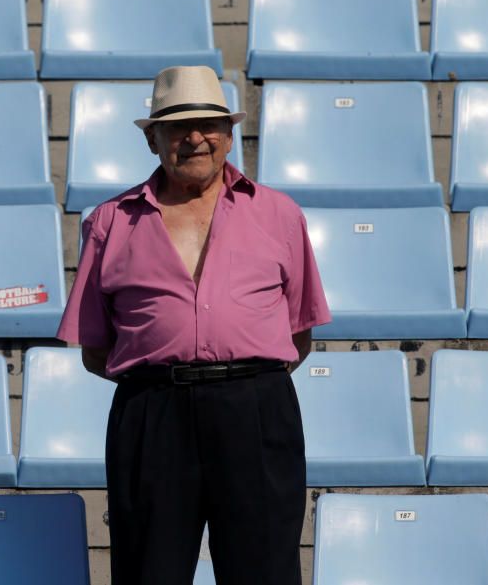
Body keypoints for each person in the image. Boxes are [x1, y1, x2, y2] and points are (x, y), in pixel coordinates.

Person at [57, 65, 332, 585]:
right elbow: (96, 350)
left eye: (209, 124)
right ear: (153, 139)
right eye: (178, 127)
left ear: (229, 135)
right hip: (152, 414)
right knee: (148, 572)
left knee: (265, 572)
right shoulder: (109, 221)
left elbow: (299, 334)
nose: (195, 138)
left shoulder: (279, 214)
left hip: (256, 410)